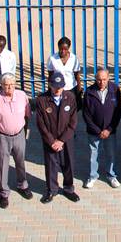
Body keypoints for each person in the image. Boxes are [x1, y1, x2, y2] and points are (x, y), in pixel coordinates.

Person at [0, 72, 33, 209]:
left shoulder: (22, 96)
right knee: (2, 165)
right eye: (6, 85)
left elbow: (27, 116)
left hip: (19, 134)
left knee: (20, 161)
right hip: (2, 136)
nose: (9, 88)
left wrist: (24, 133)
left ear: (15, 85)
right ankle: (4, 192)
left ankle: (22, 185)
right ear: (1, 85)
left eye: (12, 85)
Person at [35, 71, 80, 203]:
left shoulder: (70, 97)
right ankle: (52, 190)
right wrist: (51, 141)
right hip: (50, 141)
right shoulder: (42, 100)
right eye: (55, 86)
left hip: (66, 139)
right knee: (50, 165)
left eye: (60, 87)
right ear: (50, 85)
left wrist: (61, 140)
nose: (57, 89)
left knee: (68, 164)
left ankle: (68, 189)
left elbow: (73, 122)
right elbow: (41, 124)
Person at [82, 67, 121, 189]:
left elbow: (117, 112)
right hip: (94, 132)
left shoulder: (115, 90)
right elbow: (86, 114)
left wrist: (109, 129)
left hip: (110, 131)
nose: (101, 82)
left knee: (111, 154)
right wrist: (98, 131)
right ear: (95, 79)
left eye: (104, 79)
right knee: (93, 155)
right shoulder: (89, 92)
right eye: (99, 80)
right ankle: (93, 176)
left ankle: (111, 175)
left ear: (108, 78)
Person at [46, 37, 83, 108]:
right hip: (58, 89)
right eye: (61, 49)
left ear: (68, 48)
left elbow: (77, 76)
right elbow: (50, 76)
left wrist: (79, 91)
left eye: (65, 49)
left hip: (71, 88)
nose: (63, 51)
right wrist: (49, 90)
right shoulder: (52, 59)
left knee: (71, 110)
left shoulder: (74, 58)